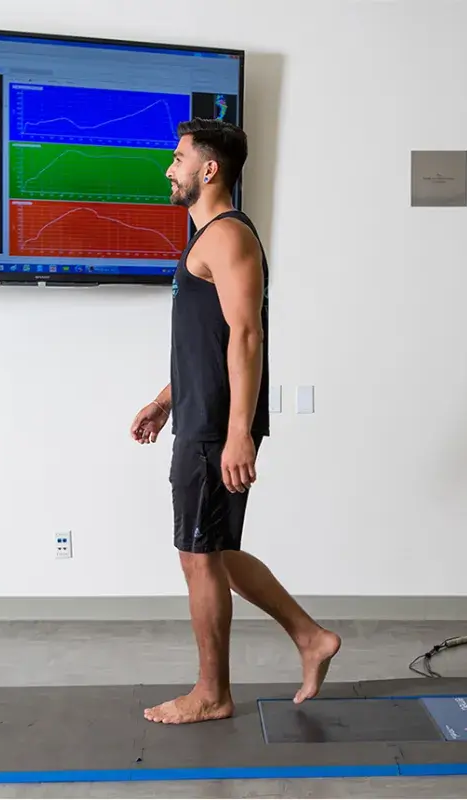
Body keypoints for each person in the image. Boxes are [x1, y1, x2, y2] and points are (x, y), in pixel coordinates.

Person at [130, 118, 341, 725]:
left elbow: (248, 336)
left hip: (216, 428)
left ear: (209, 169)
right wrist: (166, 398)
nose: (170, 168)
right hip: (199, 417)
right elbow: (211, 341)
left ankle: (212, 694)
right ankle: (309, 636)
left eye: (178, 158)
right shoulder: (206, 241)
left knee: (198, 555)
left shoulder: (226, 237)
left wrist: (239, 432)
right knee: (214, 549)